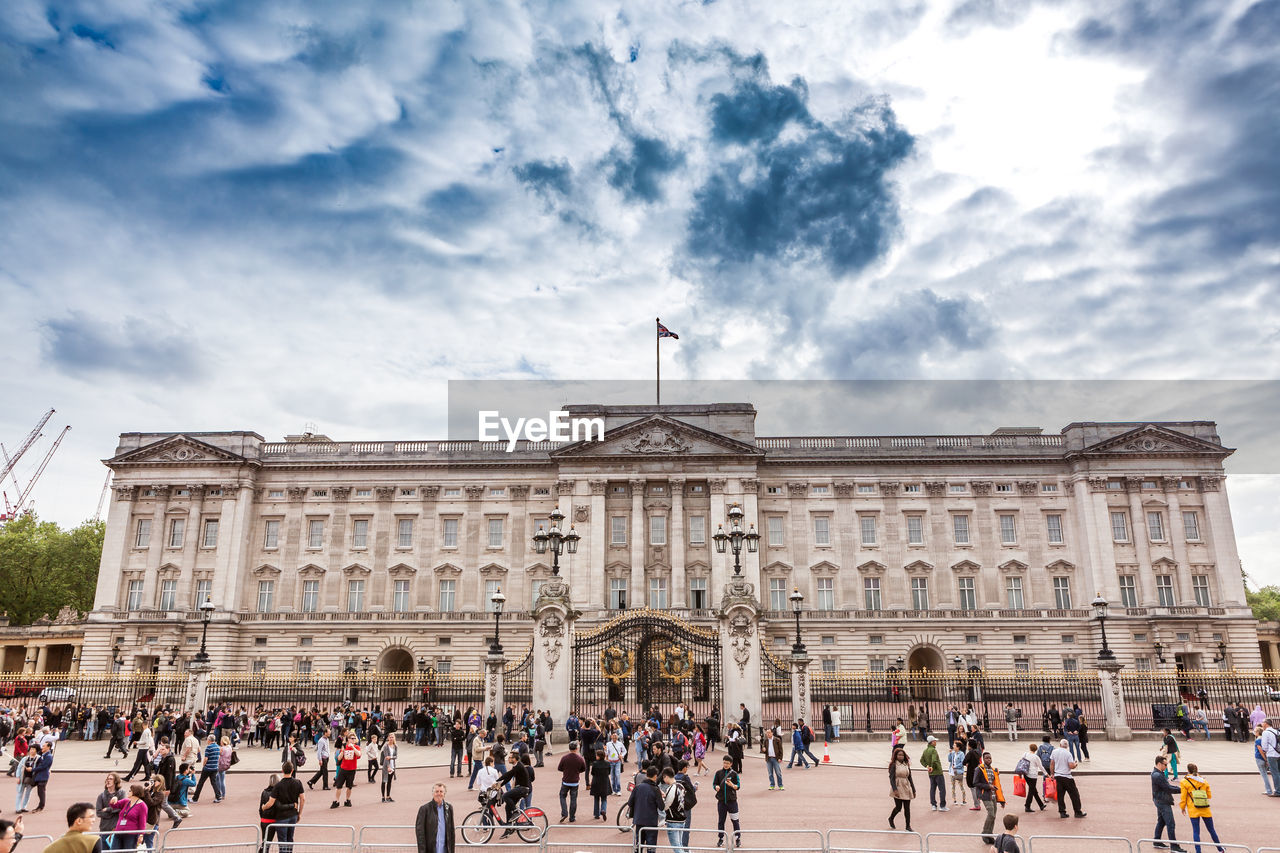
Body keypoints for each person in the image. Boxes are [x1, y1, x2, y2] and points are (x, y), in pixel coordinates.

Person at [1179, 763, 1225, 853]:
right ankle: (1220, 849)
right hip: (1204, 808)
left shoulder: (1184, 782)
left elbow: (1183, 797)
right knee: (1211, 830)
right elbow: (1209, 795)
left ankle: (1198, 851)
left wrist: (1182, 808)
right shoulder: (1204, 781)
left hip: (1193, 809)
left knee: (1196, 831)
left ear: (1188, 771)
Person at [261, 762, 305, 853]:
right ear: (292, 770)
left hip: (281, 817)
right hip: (293, 815)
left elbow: (271, 802)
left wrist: (263, 807)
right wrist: (299, 813)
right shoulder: (298, 782)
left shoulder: (278, 786)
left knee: (282, 841)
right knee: (290, 838)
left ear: (282, 771)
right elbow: (303, 799)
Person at [1152, 755, 1187, 852]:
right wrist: (1182, 790)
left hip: (1159, 800)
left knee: (1161, 821)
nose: (1166, 767)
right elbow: (1168, 788)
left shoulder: (1158, 773)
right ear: (1159, 764)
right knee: (1171, 823)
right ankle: (1174, 847)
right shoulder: (1158, 775)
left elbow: (1168, 787)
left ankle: (1157, 841)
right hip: (1162, 801)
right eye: (1165, 764)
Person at [626, 766, 663, 853]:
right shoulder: (656, 789)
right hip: (651, 822)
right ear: (655, 776)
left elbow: (630, 803)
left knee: (638, 846)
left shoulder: (638, 787)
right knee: (650, 847)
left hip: (639, 820)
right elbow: (661, 806)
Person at [1049, 738, 1085, 819]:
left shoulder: (1054, 752)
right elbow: (1071, 766)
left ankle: (1062, 812)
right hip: (1067, 776)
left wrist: (1052, 773)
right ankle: (1077, 811)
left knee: (1060, 796)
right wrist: (1075, 764)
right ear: (1067, 746)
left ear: (1060, 744)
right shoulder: (1068, 754)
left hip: (1058, 776)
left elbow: (1052, 763)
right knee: (1074, 795)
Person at [974, 751, 1005, 843]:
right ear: (983, 759)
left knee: (993, 816)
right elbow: (975, 783)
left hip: (994, 796)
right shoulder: (979, 769)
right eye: (987, 758)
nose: (989, 759)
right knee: (991, 813)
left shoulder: (993, 770)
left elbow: (997, 785)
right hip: (985, 795)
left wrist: (1002, 800)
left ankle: (990, 835)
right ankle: (985, 834)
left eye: (990, 758)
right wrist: (988, 786)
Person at [415, 783, 455, 853]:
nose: (439, 794)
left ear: (444, 794)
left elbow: (451, 831)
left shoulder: (449, 808)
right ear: (433, 793)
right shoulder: (424, 809)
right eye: (437, 791)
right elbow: (420, 833)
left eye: (441, 791)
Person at [712, 755, 741, 848]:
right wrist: (715, 787)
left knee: (735, 821)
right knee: (721, 821)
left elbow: (738, 786)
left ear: (731, 764)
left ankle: (738, 838)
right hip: (721, 802)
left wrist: (732, 784)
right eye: (724, 762)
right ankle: (721, 838)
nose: (725, 765)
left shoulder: (734, 774)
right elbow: (714, 783)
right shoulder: (718, 773)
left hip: (732, 801)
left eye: (727, 763)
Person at [556, 741, 586, 823]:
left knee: (562, 796)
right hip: (575, 781)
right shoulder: (580, 758)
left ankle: (564, 813)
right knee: (573, 799)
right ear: (576, 749)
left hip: (566, 780)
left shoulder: (564, 758)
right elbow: (583, 768)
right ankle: (572, 817)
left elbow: (559, 768)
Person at [113, 784, 149, 852]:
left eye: (130, 791)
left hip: (130, 834)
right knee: (113, 851)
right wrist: (114, 799)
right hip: (118, 832)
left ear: (135, 792)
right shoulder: (126, 801)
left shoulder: (142, 806)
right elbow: (114, 805)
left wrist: (141, 835)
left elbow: (142, 822)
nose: (128, 792)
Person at [659, 768, 687, 853]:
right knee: (680, 845)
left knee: (677, 848)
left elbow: (666, 806)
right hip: (681, 818)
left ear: (666, 776)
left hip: (673, 820)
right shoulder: (681, 786)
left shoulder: (671, 788)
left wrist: (662, 799)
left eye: (663, 778)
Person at [887, 747, 915, 832]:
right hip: (898, 786)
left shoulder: (906, 764)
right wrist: (895, 789)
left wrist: (913, 789)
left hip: (906, 786)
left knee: (907, 808)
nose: (901, 756)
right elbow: (891, 778)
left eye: (902, 755)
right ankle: (891, 818)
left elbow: (910, 777)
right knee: (898, 808)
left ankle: (908, 826)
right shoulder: (894, 765)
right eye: (899, 755)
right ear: (896, 756)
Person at [95, 774, 124, 851]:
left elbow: (122, 808)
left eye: (110, 779)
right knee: (104, 850)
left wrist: (108, 809)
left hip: (116, 828)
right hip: (105, 828)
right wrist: (114, 812)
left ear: (116, 782)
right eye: (107, 779)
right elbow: (98, 812)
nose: (108, 780)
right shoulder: (101, 796)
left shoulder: (121, 794)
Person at [331, 734, 360, 809]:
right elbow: (339, 758)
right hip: (343, 769)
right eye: (351, 738)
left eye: (354, 738)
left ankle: (347, 800)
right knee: (339, 786)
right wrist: (342, 751)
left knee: (349, 787)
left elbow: (359, 755)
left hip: (352, 769)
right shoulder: (344, 747)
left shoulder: (356, 747)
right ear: (348, 739)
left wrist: (353, 747)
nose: (353, 740)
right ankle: (336, 801)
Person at [190, 735, 221, 804]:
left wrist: (203, 765)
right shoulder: (218, 747)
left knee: (201, 783)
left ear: (209, 740)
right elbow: (218, 757)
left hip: (208, 768)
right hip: (215, 767)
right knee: (214, 782)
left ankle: (195, 798)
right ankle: (218, 796)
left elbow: (206, 758)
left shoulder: (208, 747)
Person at [1016, 742, 1046, 812]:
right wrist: (1046, 774)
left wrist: (1020, 773)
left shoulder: (1025, 754)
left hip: (1026, 774)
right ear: (1036, 750)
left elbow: (1021, 762)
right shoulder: (1036, 757)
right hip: (1033, 775)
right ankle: (1027, 806)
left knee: (1033, 790)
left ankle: (1041, 805)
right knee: (1031, 791)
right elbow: (1041, 767)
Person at [920, 735, 947, 811]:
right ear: (932, 742)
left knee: (932, 788)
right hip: (937, 771)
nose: (936, 742)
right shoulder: (933, 750)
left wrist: (927, 766)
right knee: (942, 789)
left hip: (931, 773)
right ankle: (942, 805)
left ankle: (933, 805)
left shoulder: (925, 751)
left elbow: (921, 760)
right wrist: (932, 766)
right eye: (935, 741)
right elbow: (934, 760)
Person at [257, 774, 279, 853]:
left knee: (265, 842)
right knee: (267, 844)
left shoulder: (264, 792)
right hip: (273, 820)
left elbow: (260, 808)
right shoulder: (277, 792)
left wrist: (262, 816)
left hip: (264, 820)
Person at [29, 742, 53, 814]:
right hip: (40, 775)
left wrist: (32, 769)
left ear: (48, 747)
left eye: (44, 746)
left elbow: (43, 766)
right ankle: (40, 805)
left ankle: (41, 806)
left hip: (43, 776)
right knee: (40, 791)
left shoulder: (48, 756)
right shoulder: (44, 754)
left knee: (41, 792)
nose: (42, 747)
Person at [589, 749, 611, 821]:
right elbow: (609, 772)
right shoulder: (607, 763)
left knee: (596, 798)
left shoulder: (595, 764)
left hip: (596, 782)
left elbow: (592, 773)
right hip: (605, 781)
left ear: (598, 756)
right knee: (604, 798)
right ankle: (603, 810)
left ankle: (596, 814)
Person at [1260, 719, 1280, 796]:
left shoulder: (1265, 732)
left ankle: (1277, 791)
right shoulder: (1277, 731)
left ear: (1266, 724)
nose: (1262, 724)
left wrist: (1265, 751)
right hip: (1278, 753)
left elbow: (1264, 745)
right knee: (1278, 772)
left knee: (1274, 773)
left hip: (1271, 754)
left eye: (1263, 722)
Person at [761, 725, 784, 791]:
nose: (767, 734)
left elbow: (781, 750)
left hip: (776, 758)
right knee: (770, 773)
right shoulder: (765, 741)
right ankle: (772, 785)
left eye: (769, 733)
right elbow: (764, 751)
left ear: (772, 733)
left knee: (778, 773)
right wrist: (764, 750)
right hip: (768, 759)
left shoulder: (777, 740)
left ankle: (780, 785)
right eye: (767, 733)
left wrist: (780, 758)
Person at [947, 740, 967, 807]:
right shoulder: (953, 753)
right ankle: (954, 800)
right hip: (952, 772)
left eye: (954, 745)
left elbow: (962, 763)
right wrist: (949, 753)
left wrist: (955, 766)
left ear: (958, 747)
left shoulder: (961, 754)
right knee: (953, 786)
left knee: (961, 786)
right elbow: (949, 760)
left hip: (958, 772)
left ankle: (964, 800)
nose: (953, 746)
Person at [380, 734, 398, 803]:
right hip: (386, 766)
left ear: (394, 738)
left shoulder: (395, 746)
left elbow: (396, 756)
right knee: (384, 781)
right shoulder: (385, 746)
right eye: (390, 737)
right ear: (388, 738)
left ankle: (388, 796)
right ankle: (383, 797)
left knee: (389, 782)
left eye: (392, 737)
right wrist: (388, 767)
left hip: (393, 766)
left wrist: (391, 757)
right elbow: (386, 757)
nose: (391, 738)